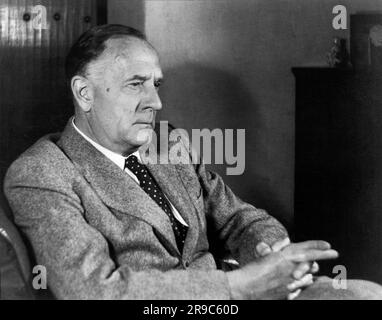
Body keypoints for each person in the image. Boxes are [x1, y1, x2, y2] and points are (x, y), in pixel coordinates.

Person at [3, 24, 382, 300]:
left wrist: (271, 252)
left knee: (366, 294)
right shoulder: (41, 173)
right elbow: (92, 291)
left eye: (156, 84)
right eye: (136, 84)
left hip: (235, 292)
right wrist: (241, 287)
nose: (155, 102)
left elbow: (235, 218)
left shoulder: (167, 142)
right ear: (84, 93)